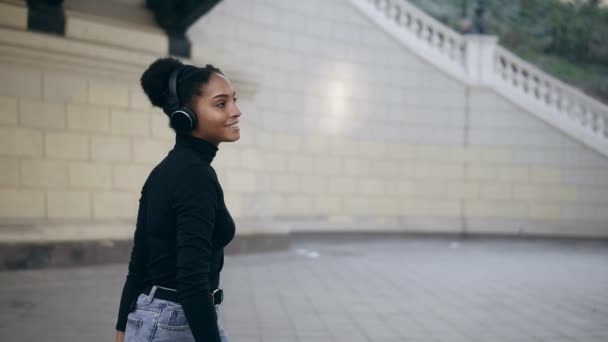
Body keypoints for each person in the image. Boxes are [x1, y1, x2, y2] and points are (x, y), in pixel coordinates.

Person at [115, 57, 240, 342]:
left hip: (151, 318)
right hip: (176, 323)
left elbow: (139, 264)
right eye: (221, 104)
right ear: (186, 115)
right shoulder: (196, 176)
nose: (236, 111)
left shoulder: (163, 171)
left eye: (234, 100)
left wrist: (122, 328)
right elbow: (192, 281)